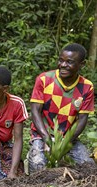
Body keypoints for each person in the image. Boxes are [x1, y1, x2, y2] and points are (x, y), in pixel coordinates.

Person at [28, 43, 95, 173]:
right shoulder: (44, 79)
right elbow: (35, 111)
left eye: (69, 62)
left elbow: (82, 120)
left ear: (82, 64)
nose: (63, 65)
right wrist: (47, 139)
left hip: (68, 138)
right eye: (61, 60)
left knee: (89, 167)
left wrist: (64, 144)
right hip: (42, 135)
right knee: (38, 166)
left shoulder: (87, 86)